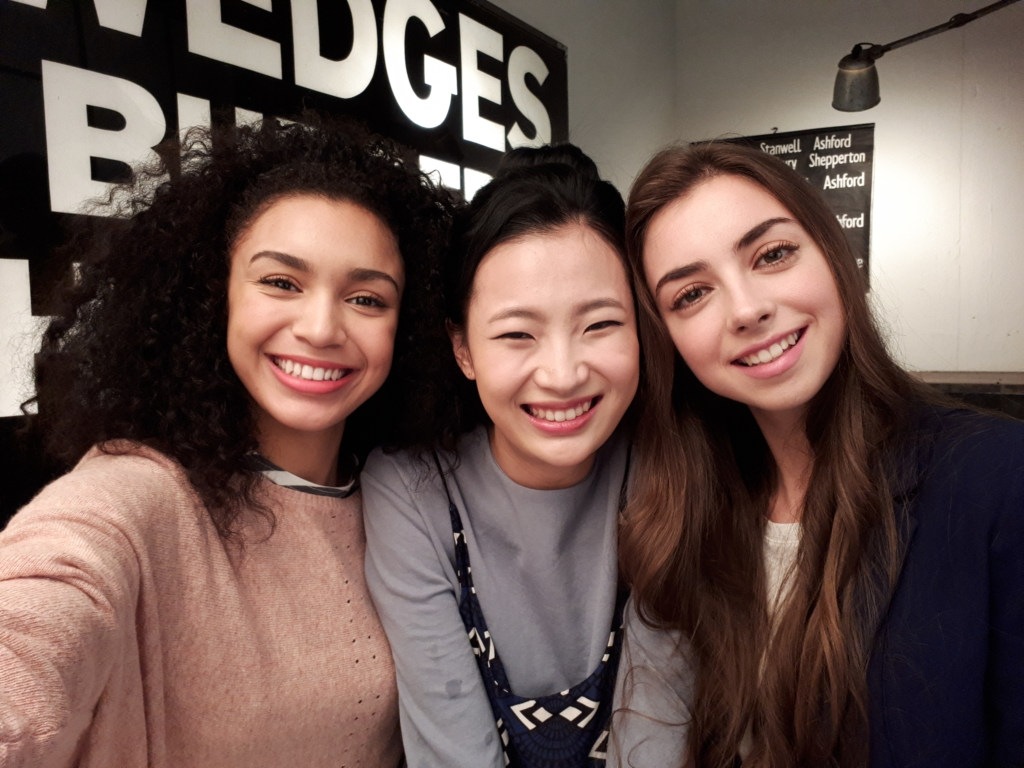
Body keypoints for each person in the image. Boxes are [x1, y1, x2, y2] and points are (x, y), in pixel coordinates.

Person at [0, 114, 454, 766]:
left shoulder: (401, 500)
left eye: (366, 298)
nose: (322, 327)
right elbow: (37, 614)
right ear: (216, 296)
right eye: (281, 282)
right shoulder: (139, 495)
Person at [608, 139, 1024, 767]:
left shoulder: (997, 479)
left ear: (832, 253)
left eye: (772, 254)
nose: (747, 309)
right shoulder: (690, 514)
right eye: (691, 294)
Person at [361, 143, 662, 767]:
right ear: (463, 349)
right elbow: (453, 750)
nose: (562, 374)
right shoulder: (414, 492)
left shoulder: (667, 468)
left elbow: (659, 736)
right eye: (517, 334)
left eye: (601, 324)